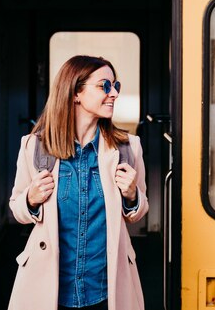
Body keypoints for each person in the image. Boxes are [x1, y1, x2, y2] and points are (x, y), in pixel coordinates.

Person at [8, 55, 148, 310]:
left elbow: (137, 213)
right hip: (49, 290)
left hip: (105, 290)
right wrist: (30, 198)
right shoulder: (33, 146)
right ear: (75, 93)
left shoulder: (129, 148)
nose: (113, 93)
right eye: (104, 86)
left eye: (116, 86)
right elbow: (17, 209)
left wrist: (132, 196)